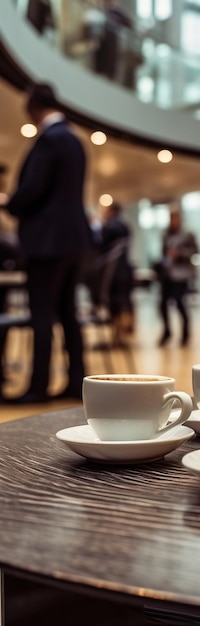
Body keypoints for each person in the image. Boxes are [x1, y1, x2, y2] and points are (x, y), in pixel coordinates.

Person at [1, 83, 94, 403]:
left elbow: (31, 190)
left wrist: (9, 204)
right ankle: (76, 381)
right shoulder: (75, 141)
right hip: (73, 241)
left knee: (42, 314)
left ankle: (38, 387)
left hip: (47, 242)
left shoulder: (49, 140)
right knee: (68, 313)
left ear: (33, 107)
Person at [93, 201, 135, 345]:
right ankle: (121, 334)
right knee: (124, 302)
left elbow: (99, 246)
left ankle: (118, 335)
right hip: (125, 271)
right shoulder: (126, 227)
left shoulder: (109, 227)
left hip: (112, 274)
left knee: (115, 304)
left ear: (111, 211)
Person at [158, 206, 199, 347]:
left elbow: (195, 252)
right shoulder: (166, 235)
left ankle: (185, 334)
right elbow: (163, 254)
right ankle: (167, 332)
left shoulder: (188, 235)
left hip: (182, 275)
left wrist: (180, 254)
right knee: (162, 304)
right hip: (168, 274)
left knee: (180, 304)